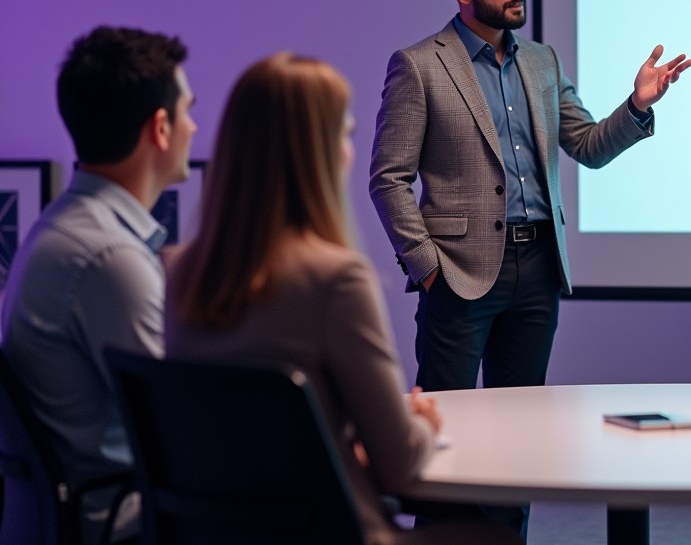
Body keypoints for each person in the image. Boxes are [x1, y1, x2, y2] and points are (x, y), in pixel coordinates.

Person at [167, 54, 517, 545]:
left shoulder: (175, 271)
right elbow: (399, 465)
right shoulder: (336, 280)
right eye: (345, 135)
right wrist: (420, 423)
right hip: (335, 533)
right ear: (318, 151)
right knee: (493, 539)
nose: (351, 152)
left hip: (209, 536)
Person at [369, 0, 691, 387]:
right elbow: (387, 180)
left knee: (522, 417)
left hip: (539, 269)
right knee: (448, 414)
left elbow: (589, 146)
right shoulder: (419, 65)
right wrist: (427, 268)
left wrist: (637, 104)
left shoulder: (542, 61)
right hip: (458, 274)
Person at [1, 26, 195, 544]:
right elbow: (182, 435)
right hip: (126, 525)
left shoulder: (65, 230)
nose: (194, 127)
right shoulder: (109, 258)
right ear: (160, 128)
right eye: (188, 111)